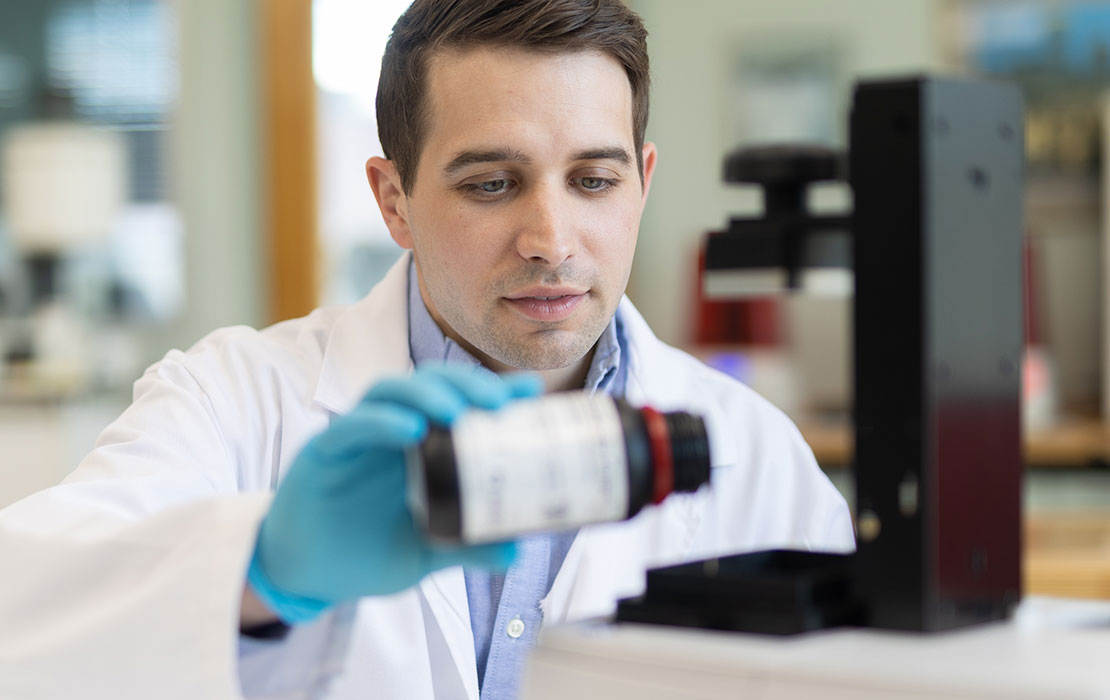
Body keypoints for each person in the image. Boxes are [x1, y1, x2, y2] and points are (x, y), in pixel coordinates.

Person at [0, 1, 853, 699]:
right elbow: (20, 613)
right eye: (490, 183)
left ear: (644, 180)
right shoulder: (232, 401)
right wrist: (262, 572)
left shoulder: (759, 457)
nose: (551, 240)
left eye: (595, 180)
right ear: (394, 200)